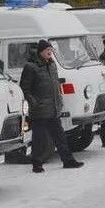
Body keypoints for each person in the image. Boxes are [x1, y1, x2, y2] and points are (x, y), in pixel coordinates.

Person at [20, 41, 83, 172]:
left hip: (53, 109)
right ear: (41, 51)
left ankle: (68, 161)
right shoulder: (31, 67)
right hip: (40, 111)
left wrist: (59, 100)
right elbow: (24, 88)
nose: (50, 52)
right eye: (47, 49)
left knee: (60, 137)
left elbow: (56, 85)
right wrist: (34, 103)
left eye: (51, 49)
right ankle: (37, 164)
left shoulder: (52, 65)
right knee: (39, 139)